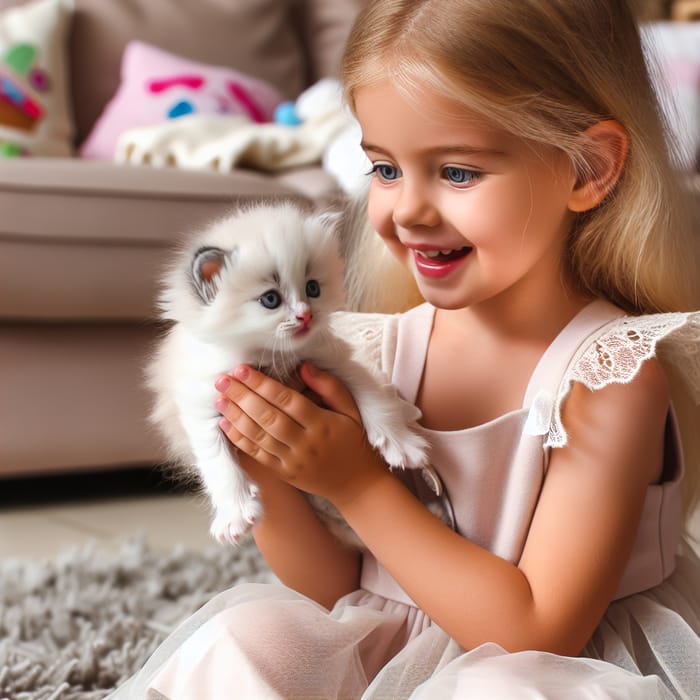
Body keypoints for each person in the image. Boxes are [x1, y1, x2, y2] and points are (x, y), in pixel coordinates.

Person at [110, 0, 700, 697]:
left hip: (550, 664)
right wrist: (270, 463)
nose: (407, 212)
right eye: (385, 170)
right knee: (246, 639)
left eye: (457, 173)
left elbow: (538, 633)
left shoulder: (608, 374)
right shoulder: (378, 350)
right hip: (401, 645)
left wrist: (357, 482)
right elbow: (337, 587)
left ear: (586, 168)